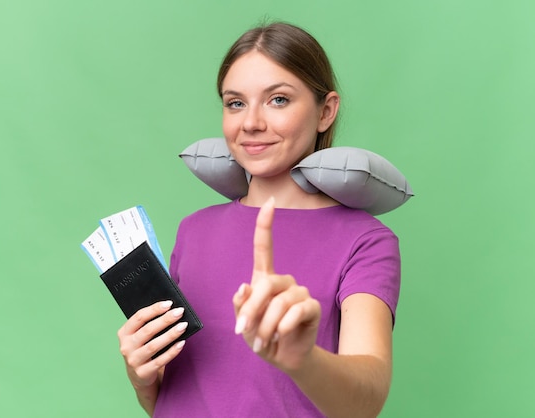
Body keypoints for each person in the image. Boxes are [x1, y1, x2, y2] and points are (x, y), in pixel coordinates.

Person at [117, 21, 401, 418]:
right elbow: (174, 400)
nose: (250, 122)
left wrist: (303, 360)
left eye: (278, 99)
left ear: (326, 111)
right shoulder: (194, 229)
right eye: (235, 102)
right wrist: (141, 377)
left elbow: (366, 401)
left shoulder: (366, 241)